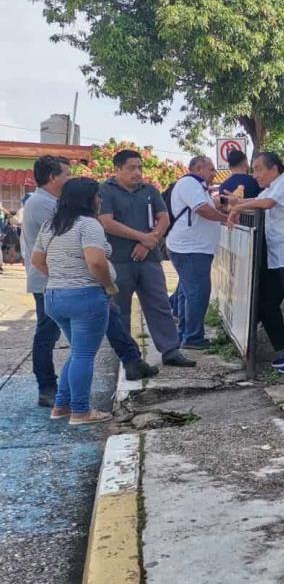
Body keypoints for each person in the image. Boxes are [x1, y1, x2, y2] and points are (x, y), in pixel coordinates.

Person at [22, 156, 156, 406]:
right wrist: (100, 283)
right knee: (66, 345)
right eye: (67, 174)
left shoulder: (54, 207)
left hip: (68, 286)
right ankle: (62, 397)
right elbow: (90, 259)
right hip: (71, 287)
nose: (69, 178)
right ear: (53, 178)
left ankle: (129, 360)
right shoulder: (49, 208)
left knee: (103, 327)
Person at [30, 179, 118, 424]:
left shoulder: (52, 224)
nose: (100, 200)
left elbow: (37, 261)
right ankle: (80, 410)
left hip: (54, 296)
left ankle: (61, 406)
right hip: (85, 296)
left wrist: (61, 275)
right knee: (84, 354)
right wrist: (108, 285)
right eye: (97, 196)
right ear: (88, 199)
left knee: (78, 352)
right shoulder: (89, 225)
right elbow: (96, 262)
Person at [98, 149, 196, 367]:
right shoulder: (105, 190)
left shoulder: (150, 190)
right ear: (118, 170)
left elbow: (164, 218)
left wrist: (147, 242)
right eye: (131, 168)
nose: (137, 172)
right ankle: (129, 357)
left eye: (140, 167)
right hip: (119, 261)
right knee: (120, 309)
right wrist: (143, 237)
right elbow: (107, 222)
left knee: (159, 304)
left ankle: (170, 349)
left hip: (149, 259)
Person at [228, 152, 284, 375]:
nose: (255, 174)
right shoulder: (273, 186)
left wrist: (237, 207)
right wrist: (235, 203)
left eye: (258, 169)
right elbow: (256, 200)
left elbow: (266, 203)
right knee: (267, 302)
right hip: (279, 256)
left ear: (274, 169)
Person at [167, 156, 230, 349]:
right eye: (211, 169)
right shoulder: (190, 183)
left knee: (190, 293)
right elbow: (202, 210)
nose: (214, 173)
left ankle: (187, 333)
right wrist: (225, 219)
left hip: (194, 248)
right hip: (190, 249)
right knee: (198, 294)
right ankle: (193, 337)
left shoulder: (199, 187)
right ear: (199, 167)